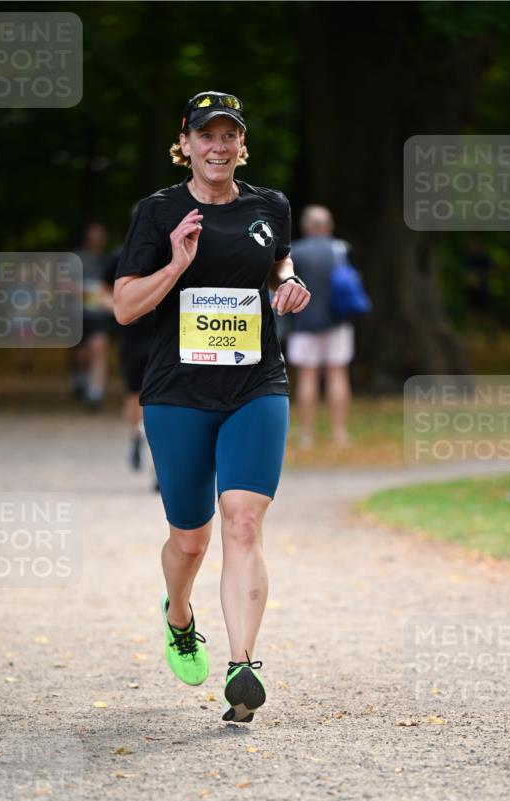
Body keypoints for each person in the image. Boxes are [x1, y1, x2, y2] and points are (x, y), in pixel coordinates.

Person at [113, 91, 310, 723]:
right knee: (190, 541)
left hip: (256, 385)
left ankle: (242, 667)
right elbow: (124, 306)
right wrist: (177, 263)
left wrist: (288, 285)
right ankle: (178, 613)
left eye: (229, 135)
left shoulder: (269, 205)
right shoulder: (158, 212)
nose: (218, 146)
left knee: (244, 524)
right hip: (177, 394)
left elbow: (278, 262)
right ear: (187, 143)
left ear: (240, 143)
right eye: (207, 136)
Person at [285, 205, 355, 449]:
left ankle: (306, 435)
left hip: (304, 323)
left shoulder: (296, 253)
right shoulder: (341, 249)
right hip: (338, 322)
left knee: (307, 376)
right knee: (337, 374)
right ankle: (339, 433)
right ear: (328, 226)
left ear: (305, 226)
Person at [102, 245, 158, 487]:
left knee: (161, 400)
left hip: (163, 338)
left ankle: (158, 466)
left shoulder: (174, 253)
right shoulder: (120, 257)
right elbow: (102, 291)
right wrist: (120, 310)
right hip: (132, 339)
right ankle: (136, 436)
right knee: (135, 396)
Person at [72, 223, 111, 409]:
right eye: (93, 236)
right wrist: (80, 291)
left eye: (100, 236)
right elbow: (61, 284)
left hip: (100, 315)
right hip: (78, 314)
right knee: (82, 355)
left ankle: (95, 392)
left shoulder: (108, 260)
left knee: (98, 349)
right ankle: (80, 378)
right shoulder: (77, 258)